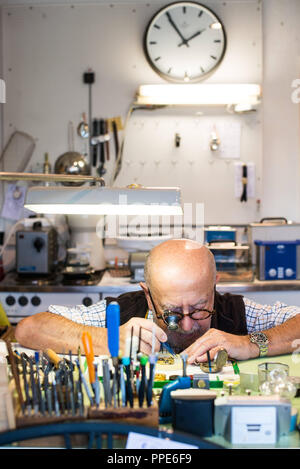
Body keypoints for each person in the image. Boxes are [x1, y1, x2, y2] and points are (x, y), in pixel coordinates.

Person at [15, 238, 300, 363]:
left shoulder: (235, 311)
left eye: (201, 309)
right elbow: (29, 328)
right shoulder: (126, 310)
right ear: (148, 296)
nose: (188, 326)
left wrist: (251, 344)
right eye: (173, 313)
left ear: (214, 287)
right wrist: (109, 339)